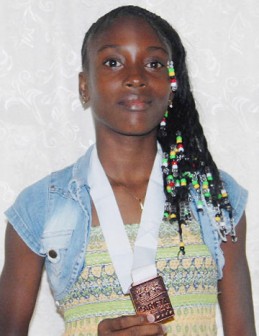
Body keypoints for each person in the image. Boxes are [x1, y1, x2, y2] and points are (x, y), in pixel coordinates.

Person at [0, 5, 256, 336]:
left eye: (154, 64)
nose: (135, 77)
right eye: (112, 62)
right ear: (84, 86)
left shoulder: (216, 197)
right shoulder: (41, 207)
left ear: (172, 85)